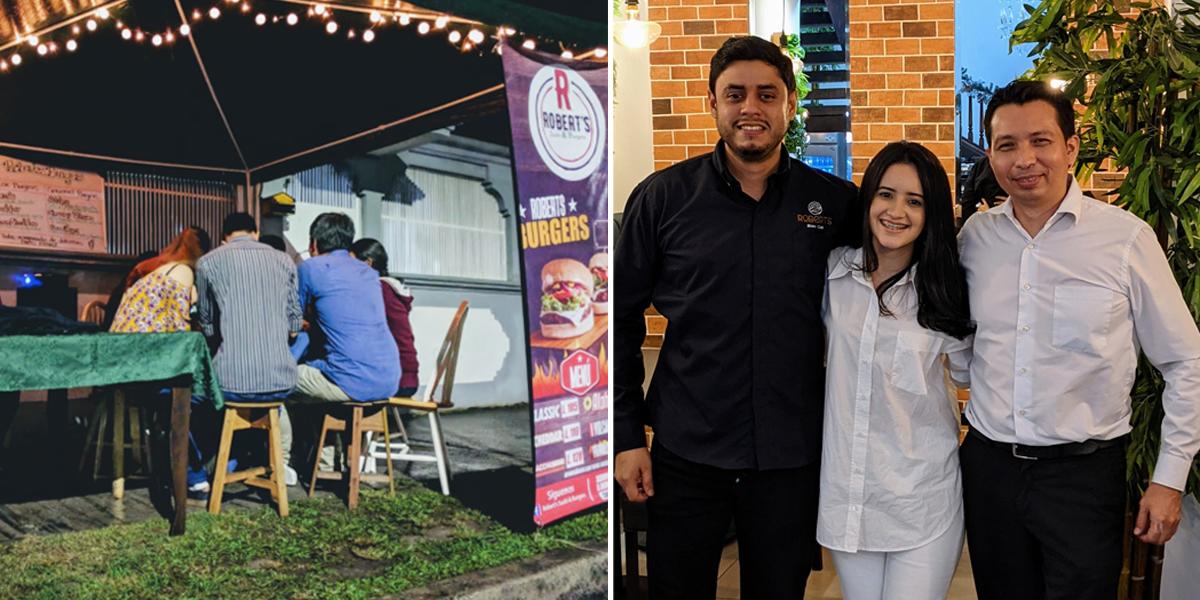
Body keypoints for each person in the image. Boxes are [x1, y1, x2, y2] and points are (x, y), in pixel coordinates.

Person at [613, 35, 859, 599]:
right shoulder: (662, 199)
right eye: (735, 94)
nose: (751, 108)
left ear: (789, 105)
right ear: (713, 104)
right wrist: (628, 437)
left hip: (790, 456)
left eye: (766, 94)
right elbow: (620, 321)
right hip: (687, 452)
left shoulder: (836, 205)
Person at [958, 80, 1200, 599]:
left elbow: (1187, 362)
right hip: (990, 471)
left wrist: (1169, 478)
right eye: (1007, 145)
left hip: (1084, 478)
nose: (1025, 159)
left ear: (1071, 147)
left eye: (1041, 141)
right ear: (991, 155)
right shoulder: (973, 241)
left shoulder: (1125, 239)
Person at [818, 141, 973, 599]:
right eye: (886, 194)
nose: (896, 211)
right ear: (868, 199)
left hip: (923, 496)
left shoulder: (944, 290)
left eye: (915, 201)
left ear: (931, 214)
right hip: (850, 495)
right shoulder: (832, 275)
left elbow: (972, 378)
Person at [192, 212, 303, 491]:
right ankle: (244, 461)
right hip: (281, 384)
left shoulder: (207, 262)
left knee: (190, 397)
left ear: (223, 239)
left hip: (231, 384)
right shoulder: (284, 260)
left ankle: (202, 475)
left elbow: (206, 324)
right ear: (255, 232)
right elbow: (295, 324)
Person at [285, 213, 400, 468]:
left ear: (314, 243)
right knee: (315, 378)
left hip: (352, 381)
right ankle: (323, 462)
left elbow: (295, 321)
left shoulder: (310, 268)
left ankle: (287, 462)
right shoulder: (368, 273)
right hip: (389, 377)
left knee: (279, 381)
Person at [350, 238, 419, 397]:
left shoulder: (380, 290)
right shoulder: (388, 288)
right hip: (406, 375)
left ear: (367, 263)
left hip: (398, 378)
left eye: (351, 262)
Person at [109, 227, 207, 333]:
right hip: (150, 339)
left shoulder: (153, 269)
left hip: (120, 334)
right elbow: (180, 321)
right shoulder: (183, 271)